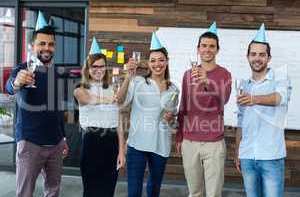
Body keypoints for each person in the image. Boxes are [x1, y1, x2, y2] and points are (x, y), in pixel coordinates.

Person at [5, 11, 69, 197]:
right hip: (30, 144)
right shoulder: (22, 70)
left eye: (51, 44)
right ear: (32, 45)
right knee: (25, 192)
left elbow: (58, 109)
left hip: (56, 144)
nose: (47, 48)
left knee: (53, 191)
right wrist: (17, 82)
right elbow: (10, 86)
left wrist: (63, 138)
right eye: (42, 43)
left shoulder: (58, 74)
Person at [116, 32, 179, 197]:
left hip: (161, 144)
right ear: (148, 64)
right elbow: (120, 101)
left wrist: (172, 118)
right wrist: (128, 77)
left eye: (161, 60)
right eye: (153, 60)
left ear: (167, 62)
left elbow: (172, 119)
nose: (157, 64)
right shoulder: (137, 82)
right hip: (137, 144)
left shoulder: (174, 89)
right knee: (134, 191)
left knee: (154, 189)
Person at [175, 22, 232, 197]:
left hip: (214, 143)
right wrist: (179, 136)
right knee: (195, 193)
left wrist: (207, 81)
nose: (207, 49)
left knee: (214, 194)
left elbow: (225, 98)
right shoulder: (187, 74)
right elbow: (183, 106)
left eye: (211, 46)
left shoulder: (224, 74)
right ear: (198, 49)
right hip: (190, 142)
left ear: (217, 50)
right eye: (204, 46)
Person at [235, 23, 291, 197]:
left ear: (269, 57)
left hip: (271, 157)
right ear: (247, 57)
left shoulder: (280, 78)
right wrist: (237, 153)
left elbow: (280, 98)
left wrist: (254, 99)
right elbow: (240, 122)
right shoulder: (243, 85)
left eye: (261, 54)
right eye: (253, 54)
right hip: (247, 157)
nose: (257, 58)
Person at [74, 37, 126, 197]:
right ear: (87, 68)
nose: (98, 70)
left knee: (108, 190)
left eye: (101, 66)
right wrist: (107, 100)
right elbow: (87, 99)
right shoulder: (80, 88)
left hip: (111, 143)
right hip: (91, 141)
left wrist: (122, 150)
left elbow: (118, 120)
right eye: (94, 66)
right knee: (91, 190)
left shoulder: (111, 88)